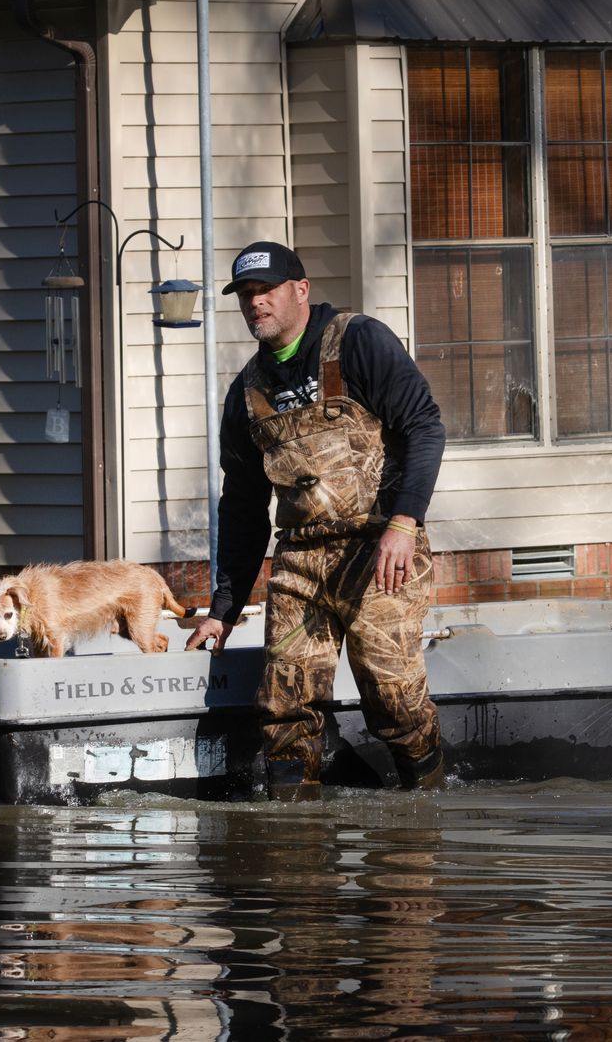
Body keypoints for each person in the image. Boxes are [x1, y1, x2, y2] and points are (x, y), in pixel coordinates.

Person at [184, 241, 448, 801]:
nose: (256, 304)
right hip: (301, 560)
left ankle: (428, 808)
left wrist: (404, 525)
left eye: (267, 290)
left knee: (392, 697)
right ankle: (294, 850)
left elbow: (425, 426)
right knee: (284, 707)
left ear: (300, 290)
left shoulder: (357, 341)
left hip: (379, 550)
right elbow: (242, 505)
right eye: (247, 295)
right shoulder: (248, 392)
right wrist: (223, 610)